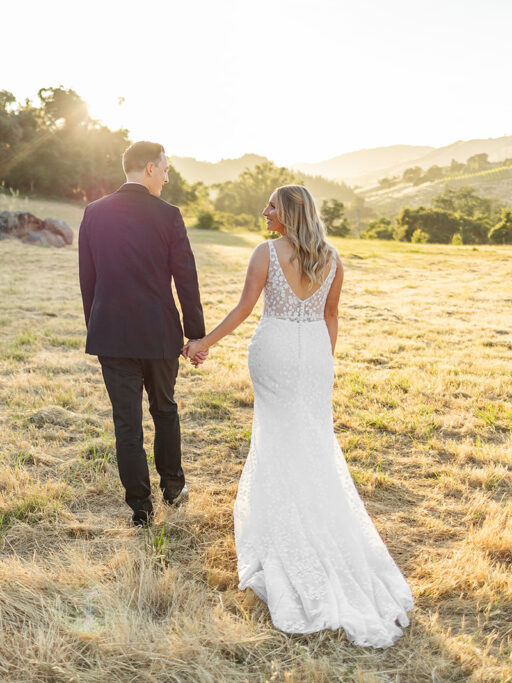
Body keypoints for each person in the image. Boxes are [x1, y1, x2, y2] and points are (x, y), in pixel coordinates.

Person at [183, 185, 414, 648]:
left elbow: (246, 309)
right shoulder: (332, 258)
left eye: (271, 205)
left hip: (276, 350)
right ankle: (311, 520)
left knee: (277, 438)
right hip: (315, 356)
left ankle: (286, 535)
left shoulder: (267, 252)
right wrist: (322, 366)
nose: (264, 211)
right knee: (310, 441)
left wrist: (204, 342)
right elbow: (331, 317)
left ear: (288, 213)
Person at [78, 141, 205, 527]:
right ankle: (172, 487)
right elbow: (186, 278)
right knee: (164, 409)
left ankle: (141, 508)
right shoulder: (169, 215)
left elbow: (89, 280)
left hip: (111, 335)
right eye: (165, 169)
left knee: (126, 422)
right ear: (149, 168)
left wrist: (96, 326)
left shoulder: (94, 212)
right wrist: (195, 335)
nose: (167, 177)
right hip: (158, 333)